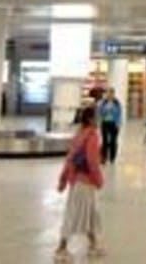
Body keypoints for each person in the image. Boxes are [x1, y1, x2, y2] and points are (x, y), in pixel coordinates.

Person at [56, 105, 105, 261]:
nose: (99, 119)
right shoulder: (92, 136)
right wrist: (99, 179)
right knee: (76, 213)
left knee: (90, 213)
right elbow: (92, 162)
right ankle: (61, 247)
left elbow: (70, 157)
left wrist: (63, 179)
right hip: (86, 181)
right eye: (96, 116)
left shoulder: (79, 134)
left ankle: (93, 244)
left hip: (76, 179)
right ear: (91, 119)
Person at [98, 88, 122, 165]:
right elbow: (100, 112)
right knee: (104, 141)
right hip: (105, 123)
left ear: (113, 94)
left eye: (111, 93)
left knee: (113, 141)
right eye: (108, 93)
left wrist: (118, 124)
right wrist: (106, 109)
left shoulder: (116, 103)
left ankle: (112, 157)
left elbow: (119, 114)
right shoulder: (103, 103)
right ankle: (103, 157)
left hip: (114, 123)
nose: (110, 95)